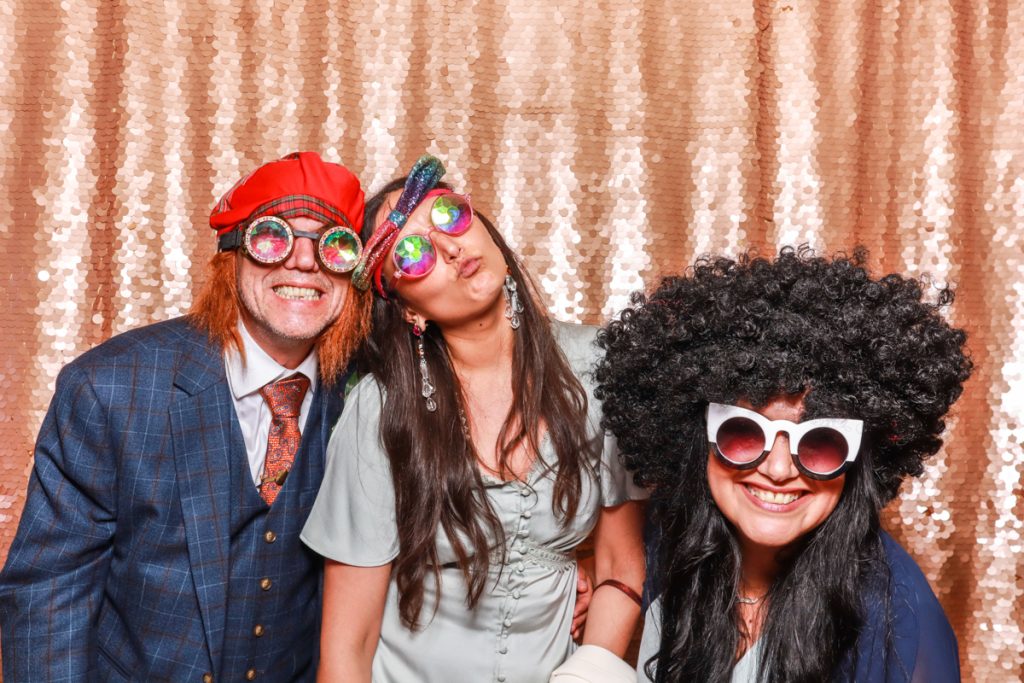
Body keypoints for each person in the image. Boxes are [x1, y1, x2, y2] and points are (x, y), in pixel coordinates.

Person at [0, 152, 370, 682]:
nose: (304, 263)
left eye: (334, 246)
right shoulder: (110, 387)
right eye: (273, 237)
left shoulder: (366, 396)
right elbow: (48, 595)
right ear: (231, 256)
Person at [301, 154, 646, 683]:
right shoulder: (381, 406)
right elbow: (350, 642)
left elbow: (622, 567)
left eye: (449, 218)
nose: (448, 248)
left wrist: (590, 671)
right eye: (412, 254)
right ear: (407, 308)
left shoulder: (598, 368)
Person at [595, 247, 972, 683]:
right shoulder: (670, 548)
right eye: (743, 433)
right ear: (697, 437)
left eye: (821, 442)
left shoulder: (901, 616)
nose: (777, 470)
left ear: (857, 459)